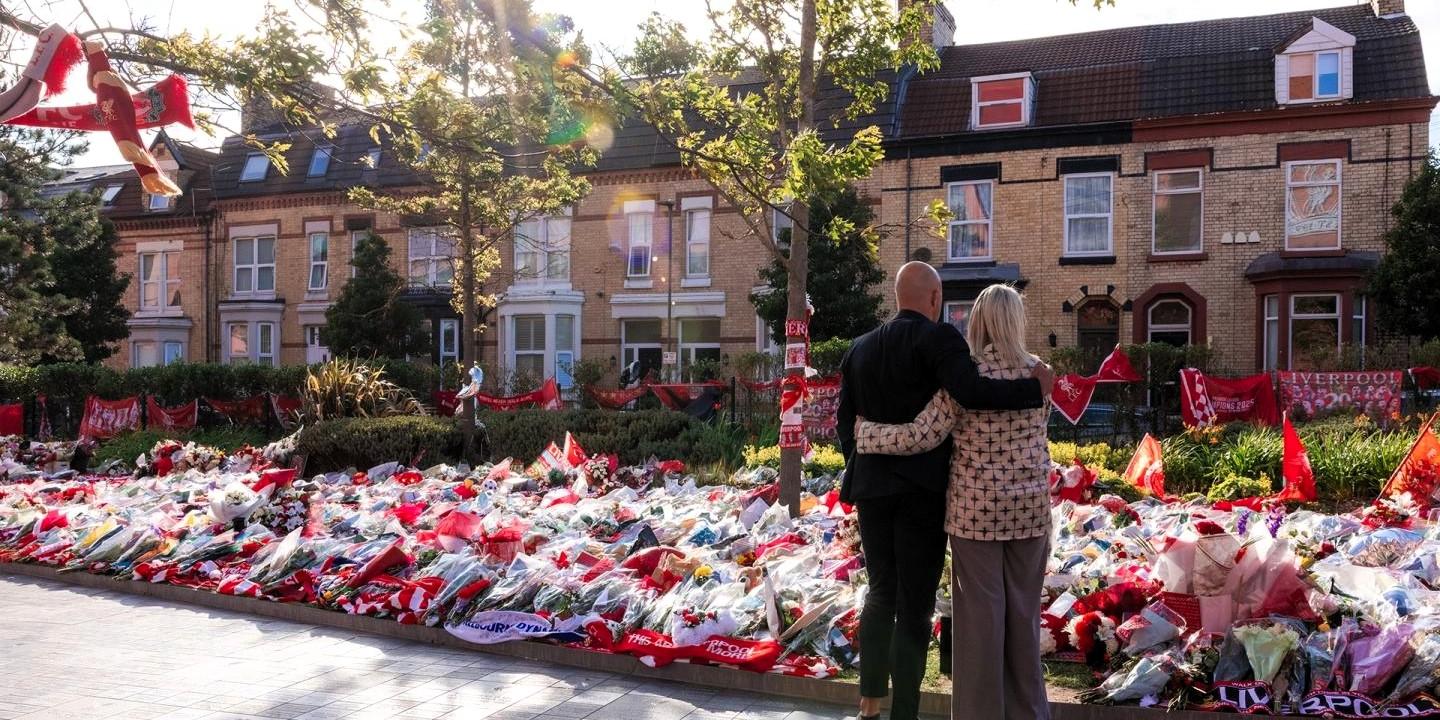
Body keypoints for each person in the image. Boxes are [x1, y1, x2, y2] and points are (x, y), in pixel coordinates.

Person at [836, 265, 1054, 720]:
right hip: (1029, 508)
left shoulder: (957, 370)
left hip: (973, 510)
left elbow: (923, 433)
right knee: (1022, 618)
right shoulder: (1040, 374)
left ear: (976, 321)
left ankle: (952, 711)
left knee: (974, 622)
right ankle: (1028, 713)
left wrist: (864, 438)